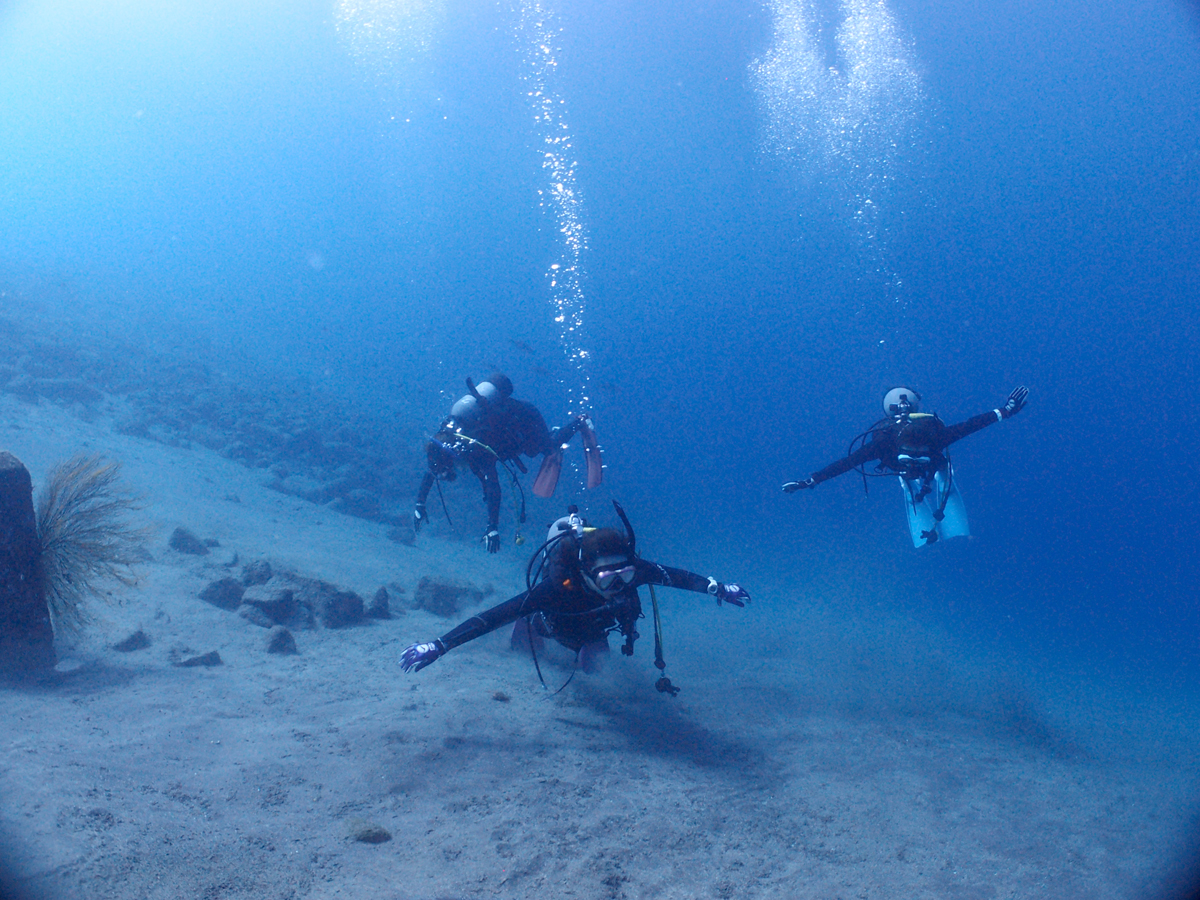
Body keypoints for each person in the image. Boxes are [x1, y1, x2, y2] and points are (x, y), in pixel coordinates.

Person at [400, 503, 750, 691]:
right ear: (584, 572)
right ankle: (533, 626)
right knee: (530, 634)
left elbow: (677, 576)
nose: (621, 585)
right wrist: (440, 645)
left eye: (626, 575)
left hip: (596, 628)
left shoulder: (633, 571)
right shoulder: (555, 587)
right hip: (555, 623)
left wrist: (717, 588)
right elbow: (491, 617)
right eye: (609, 578)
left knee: (597, 669)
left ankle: (581, 648)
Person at [783, 385, 1029, 545]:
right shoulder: (936, 435)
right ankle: (933, 493)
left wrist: (811, 481)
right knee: (943, 475)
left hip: (899, 467)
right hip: (933, 466)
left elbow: (846, 463)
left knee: (912, 483)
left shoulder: (882, 442)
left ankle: (914, 489)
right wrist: (1005, 411)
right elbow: (971, 425)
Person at [413, 373, 602, 553]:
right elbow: (432, 471)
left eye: (446, 471)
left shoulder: (476, 447)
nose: (446, 473)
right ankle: (551, 434)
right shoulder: (443, 441)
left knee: (546, 448)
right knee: (531, 450)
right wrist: (420, 504)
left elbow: (493, 485)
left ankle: (579, 422)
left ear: (450, 460)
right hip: (513, 421)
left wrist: (492, 527)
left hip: (526, 418)